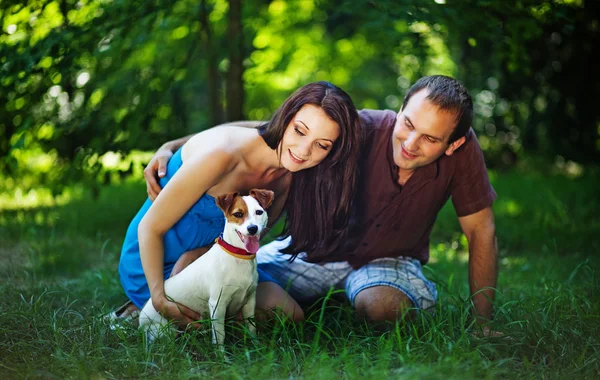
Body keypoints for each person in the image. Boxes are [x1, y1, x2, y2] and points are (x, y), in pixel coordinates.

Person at [146, 75, 499, 335]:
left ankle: (333, 298)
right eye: (407, 123)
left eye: (430, 138)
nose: (410, 142)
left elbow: (480, 230)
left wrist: (482, 324)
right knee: (217, 263)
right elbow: (268, 129)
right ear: (401, 108)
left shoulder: (463, 155)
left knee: (382, 309)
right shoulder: (360, 126)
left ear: (452, 144)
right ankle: (152, 308)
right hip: (316, 250)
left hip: (388, 259)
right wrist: (173, 146)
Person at [112, 81, 363, 329]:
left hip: (214, 257)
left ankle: (164, 312)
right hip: (154, 259)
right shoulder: (221, 157)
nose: (303, 150)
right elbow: (149, 229)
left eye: (322, 145)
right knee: (203, 323)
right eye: (300, 130)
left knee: (288, 314)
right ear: (286, 119)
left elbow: (249, 240)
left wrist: (198, 255)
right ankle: (140, 307)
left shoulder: (290, 173)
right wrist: (160, 300)